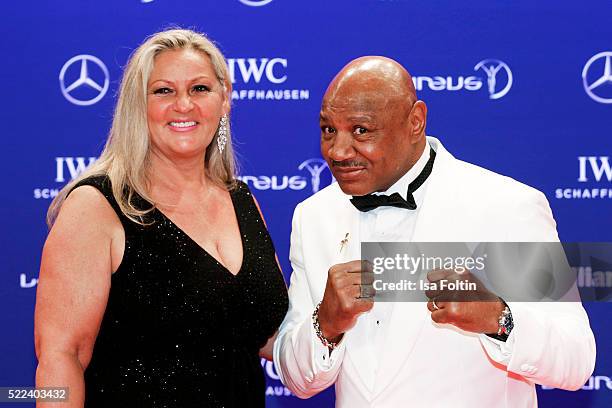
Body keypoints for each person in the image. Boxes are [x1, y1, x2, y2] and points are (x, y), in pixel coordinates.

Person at [273, 56, 595, 407]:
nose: (336, 151)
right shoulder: (314, 215)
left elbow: (576, 359)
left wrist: (496, 317)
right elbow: (295, 378)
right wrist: (327, 324)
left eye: (361, 130)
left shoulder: (505, 205)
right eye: (328, 130)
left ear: (415, 121)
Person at [34, 29, 288, 407]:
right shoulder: (97, 206)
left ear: (225, 101)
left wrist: (334, 318)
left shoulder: (242, 200)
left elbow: (267, 336)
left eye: (200, 89)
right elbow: (61, 358)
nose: (183, 105)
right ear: (138, 106)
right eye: (163, 91)